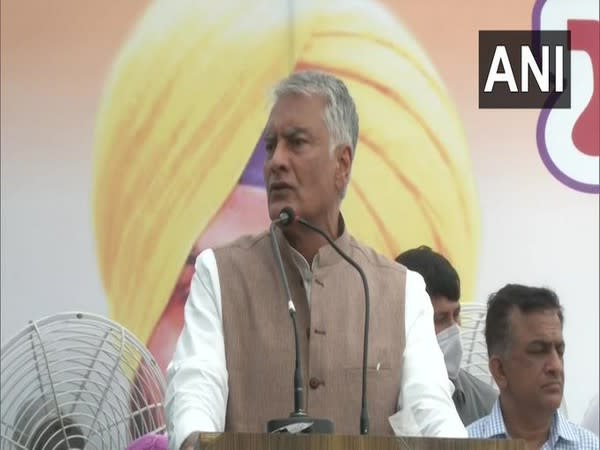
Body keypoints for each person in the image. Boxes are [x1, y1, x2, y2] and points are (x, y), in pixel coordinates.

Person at [165, 71, 467, 450]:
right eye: (270, 145)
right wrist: (194, 440)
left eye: (296, 143)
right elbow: (196, 383)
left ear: (341, 164)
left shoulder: (400, 290)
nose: (276, 161)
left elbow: (430, 411)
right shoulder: (220, 274)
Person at [467, 284, 599, 449]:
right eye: (538, 351)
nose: (556, 366)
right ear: (500, 370)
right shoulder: (465, 444)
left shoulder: (590, 446)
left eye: (559, 351)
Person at [395, 245, 497, 425]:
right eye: (439, 318)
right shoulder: (373, 401)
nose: (454, 328)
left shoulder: (488, 406)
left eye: (456, 315)